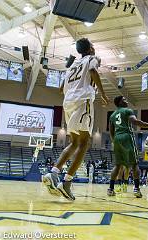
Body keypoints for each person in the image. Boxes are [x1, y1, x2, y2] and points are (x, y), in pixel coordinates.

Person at [42, 38, 109, 201]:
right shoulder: (92, 59)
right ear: (91, 49)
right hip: (82, 100)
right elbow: (93, 71)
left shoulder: (72, 66)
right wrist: (103, 94)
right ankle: (67, 182)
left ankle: (54, 172)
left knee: (74, 143)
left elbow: (60, 88)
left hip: (68, 102)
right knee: (85, 143)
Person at [107, 96, 148, 198]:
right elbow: (136, 122)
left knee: (117, 165)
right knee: (135, 164)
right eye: (124, 99)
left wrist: (115, 141)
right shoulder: (127, 111)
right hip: (127, 136)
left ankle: (110, 189)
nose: (126, 100)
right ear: (119, 102)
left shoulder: (112, 115)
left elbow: (111, 132)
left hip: (117, 138)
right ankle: (136, 189)